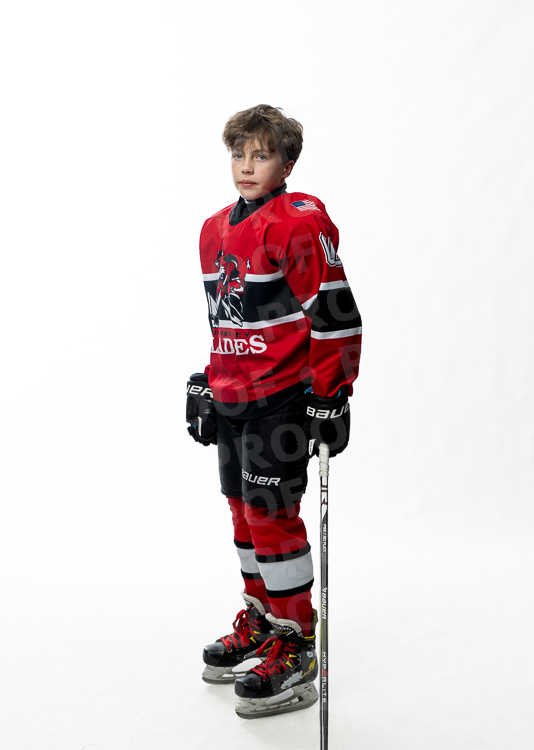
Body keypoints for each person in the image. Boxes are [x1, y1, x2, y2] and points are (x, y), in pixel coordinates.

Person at [185, 104, 362, 719]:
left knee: (273, 518)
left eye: (261, 155)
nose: (246, 165)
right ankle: (262, 620)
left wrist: (331, 393)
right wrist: (208, 380)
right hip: (235, 396)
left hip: (282, 398)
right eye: (238, 154)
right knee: (241, 512)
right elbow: (226, 321)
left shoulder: (298, 222)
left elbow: (335, 313)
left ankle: (297, 641)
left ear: (287, 164)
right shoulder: (212, 229)